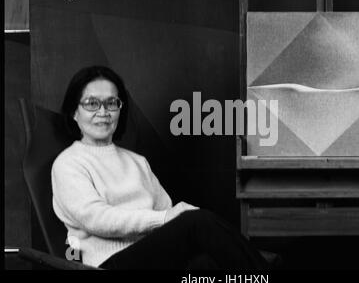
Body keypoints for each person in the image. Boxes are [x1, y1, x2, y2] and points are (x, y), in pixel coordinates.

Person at [51, 65, 268, 270]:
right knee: (197, 222)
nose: (103, 111)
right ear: (74, 112)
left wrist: (169, 220)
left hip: (154, 262)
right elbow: (97, 219)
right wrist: (165, 218)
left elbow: (166, 212)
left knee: (209, 265)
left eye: (111, 103)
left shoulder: (137, 161)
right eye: (91, 103)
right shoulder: (68, 163)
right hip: (106, 265)